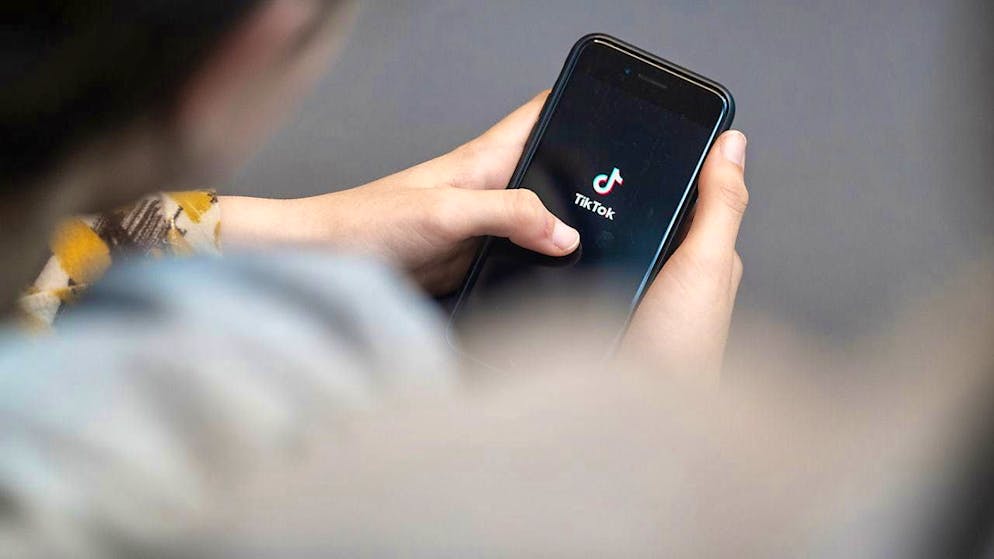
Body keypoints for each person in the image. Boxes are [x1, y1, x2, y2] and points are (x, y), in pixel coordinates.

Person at [28, 2, 992, 557]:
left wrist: (302, 228)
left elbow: (37, 281)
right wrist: (629, 443)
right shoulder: (211, 429)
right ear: (253, 43)